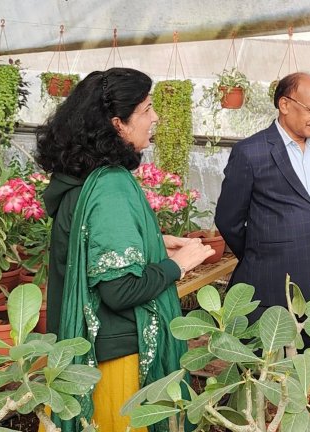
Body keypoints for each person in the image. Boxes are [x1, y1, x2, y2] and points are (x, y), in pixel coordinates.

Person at [36, 67, 213, 432]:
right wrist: (177, 265)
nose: (156, 118)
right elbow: (120, 290)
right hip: (119, 360)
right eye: (147, 109)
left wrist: (151, 241)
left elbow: (87, 239)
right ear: (118, 123)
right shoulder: (111, 186)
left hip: (95, 351)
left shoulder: (80, 177)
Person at [214, 72, 310, 323]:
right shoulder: (251, 153)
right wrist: (261, 251)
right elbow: (228, 220)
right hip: (270, 283)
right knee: (271, 357)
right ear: (284, 105)